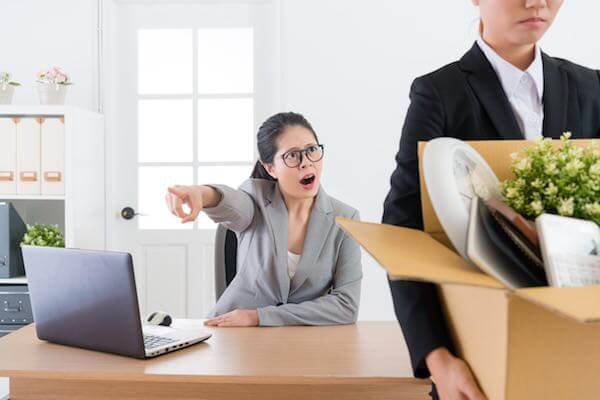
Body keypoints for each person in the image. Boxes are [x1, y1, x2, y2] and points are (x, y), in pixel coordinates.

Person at [382, 1, 600, 399]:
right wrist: (439, 360)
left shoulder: (592, 87)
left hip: (583, 357)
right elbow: (403, 233)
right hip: (477, 365)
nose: (536, 2)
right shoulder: (439, 93)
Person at [166, 112, 362, 327]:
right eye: (292, 155)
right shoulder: (254, 198)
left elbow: (346, 306)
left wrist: (259, 316)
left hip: (304, 342)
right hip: (233, 333)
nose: (306, 163)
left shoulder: (346, 219)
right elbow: (231, 203)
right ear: (270, 168)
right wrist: (200, 193)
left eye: (312, 150)